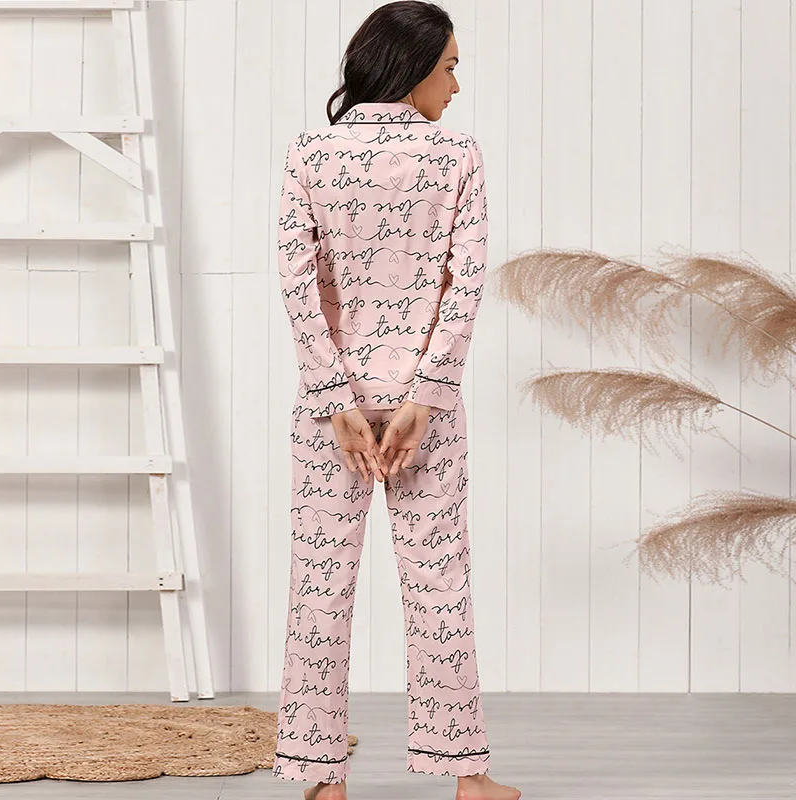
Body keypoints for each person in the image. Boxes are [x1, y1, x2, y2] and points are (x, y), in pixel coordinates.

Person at [273, 3, 521, 799]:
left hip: (332, 411)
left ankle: (320, 781)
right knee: (438, 582)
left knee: (320, 587)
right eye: (449, 67)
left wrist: (332, 397)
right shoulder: (457, 157)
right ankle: (469, 778)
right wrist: (428, 394)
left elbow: (296, 284)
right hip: (424, 408)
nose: (456, 84)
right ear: (410, 67)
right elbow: (466, 285)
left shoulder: (310, 152)